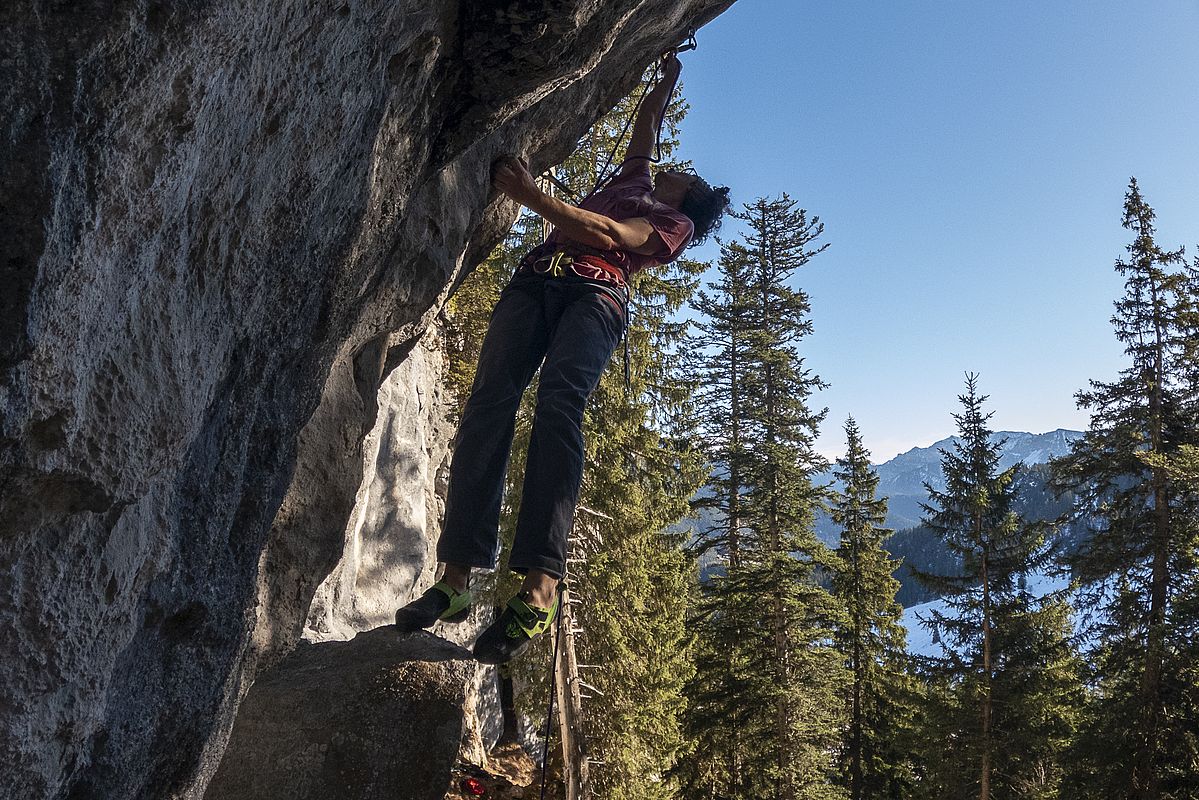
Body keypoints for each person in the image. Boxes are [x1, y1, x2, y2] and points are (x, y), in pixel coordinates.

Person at [395, 52, 730, 664]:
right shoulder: (634, 180)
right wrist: (666, 82)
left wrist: (529, 196)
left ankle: (540, 589)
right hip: (535, 282)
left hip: (596, 294)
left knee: (559, 407)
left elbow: (609, 237)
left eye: (687, 175)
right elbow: (646, 130)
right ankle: (455, 582)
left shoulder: (674, 221)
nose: (675, 169)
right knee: (489, 404)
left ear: (692, 198)